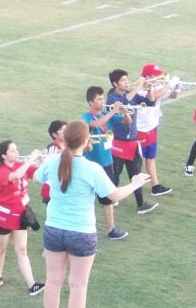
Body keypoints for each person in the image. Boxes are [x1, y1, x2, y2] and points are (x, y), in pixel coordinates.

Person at [34, 121, 151, 308]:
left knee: (53, 282)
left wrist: (45, 160)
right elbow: (114, 196)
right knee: (78, 286)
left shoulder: (52, 161)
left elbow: (37, 178)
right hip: (81, 233)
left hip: (54, 230)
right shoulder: (92, 168)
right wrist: (135, 183)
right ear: (85, 140)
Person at [0, 140, 45, 296]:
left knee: (22, 249)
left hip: (20, 214)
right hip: (3, 216)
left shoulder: (19, 165)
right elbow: (16, 176)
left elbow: (38, 175)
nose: (17, 153)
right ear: (3, 155)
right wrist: (30, 159)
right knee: (1, 248)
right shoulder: (0, 172)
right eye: (13, 151)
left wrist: (43, 162)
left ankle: (32, 285)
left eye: (17, 150)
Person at [80, 86, 129, 239]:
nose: (102, 102)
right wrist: (113, 111)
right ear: (90, 102)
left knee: (107, 198)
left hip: (107, 161)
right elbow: (94, 125)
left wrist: (125, 111)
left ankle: (111, 229)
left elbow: (127, 121)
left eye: (103, 98)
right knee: (85, 197)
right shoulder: (86, 117)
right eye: (99, 99)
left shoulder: (106, 113)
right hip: (91, 163)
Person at [106, 70, 157, 214]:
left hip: (132, 143)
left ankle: (140, 204)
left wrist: (149, 88)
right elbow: (124, 103)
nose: (126, 82)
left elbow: (150, 102)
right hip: (118, 143)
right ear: (115, 83)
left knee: (136, 173)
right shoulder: (112, 98)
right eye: (122, 80)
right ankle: (111, 198)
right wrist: (136, 87)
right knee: (115, 174)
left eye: (126, 79)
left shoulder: (131, 93)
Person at [131, 63, 177, 196]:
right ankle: (134, 187)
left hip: (152, 128)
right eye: (155, 76)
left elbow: (172, 95)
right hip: (140, 130)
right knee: (136, 161)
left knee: (151, 157)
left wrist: (176, 89)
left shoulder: (156, 85)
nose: (158, 78)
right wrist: (170, 84)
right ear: (148, 76)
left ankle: (155, 186)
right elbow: (153, 96)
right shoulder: (140, 88)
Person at [40, 120, 66, 204]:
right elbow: (50, 168)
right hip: (53, 189)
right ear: (54, 135)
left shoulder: (68, 145)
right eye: (63, 131)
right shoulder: (53, 147)